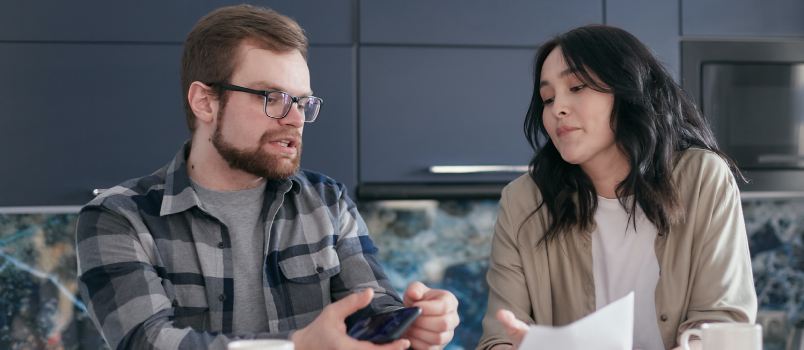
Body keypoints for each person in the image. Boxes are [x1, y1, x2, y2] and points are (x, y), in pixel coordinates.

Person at [75, 5, 459, 350]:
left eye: (302, 101)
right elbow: (149, 342)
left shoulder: (326, 201)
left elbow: (371, 307)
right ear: (205, 102)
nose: (295, 118)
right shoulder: (118, 217)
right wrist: (295, 347)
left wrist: (415, 321)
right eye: (270, 97)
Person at [477, 25, 757, 350]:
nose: (557, 109)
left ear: (628, 89)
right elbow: (498, 338)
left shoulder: (701, 177)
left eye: (577, 86)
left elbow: (722, 326)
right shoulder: (523, 201)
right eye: (547, 98)